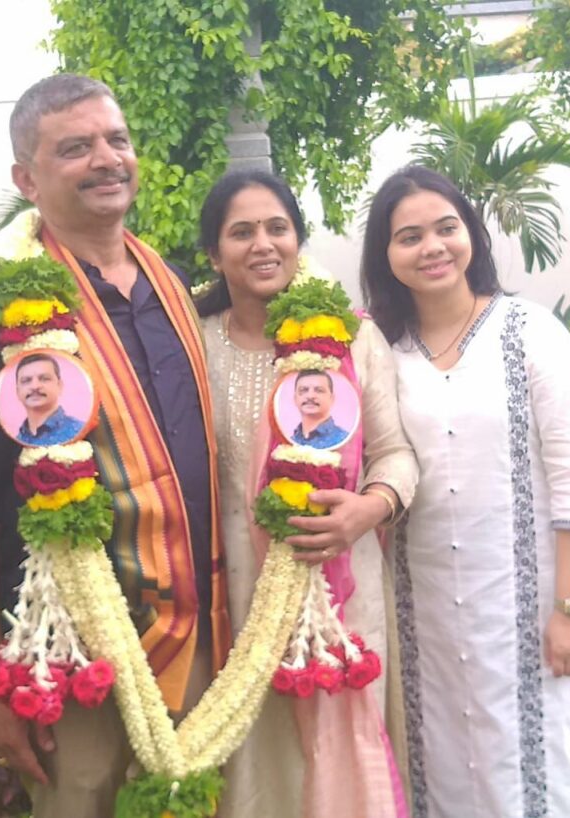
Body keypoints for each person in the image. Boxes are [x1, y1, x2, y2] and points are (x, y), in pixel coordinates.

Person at [0, 74, 229, 817]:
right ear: (26, 179)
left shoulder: (173, 287)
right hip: (74, 656)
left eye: (117, 140)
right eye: (75, 148)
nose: (107, 159)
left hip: (198, 629)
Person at [360, 165, 570, 818]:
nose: (432, 247)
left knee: (532, 771)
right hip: (423, 612)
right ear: (386, 255)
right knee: (437, 768)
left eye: (446, 228)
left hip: (525, 606)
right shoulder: (383, 351)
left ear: (471, 232)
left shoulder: (530, 332)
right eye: (409, 237)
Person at [195, 169, 418, 817]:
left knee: (338, 769)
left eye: (277, 228)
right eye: (241, 232)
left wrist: (369, 508)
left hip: (337, 588)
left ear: (298, 239)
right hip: (234, 596)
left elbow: (397, 455)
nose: (263, 244)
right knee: (258, 771)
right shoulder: (195, 346)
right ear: (214, 254)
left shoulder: (351, 338)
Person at [14, 353, 84, 445]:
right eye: (26, 381)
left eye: (44, 379)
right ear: (18, 391)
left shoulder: (80, 431)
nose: (35, 386)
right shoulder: (16, 440)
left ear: (59, 386)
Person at [290, 369, 349, 448]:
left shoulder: (344, 440)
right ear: (295, 399)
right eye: (304, 390)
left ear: (332, 398)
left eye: (319, 390)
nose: (310, 396)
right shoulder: (289, 442)